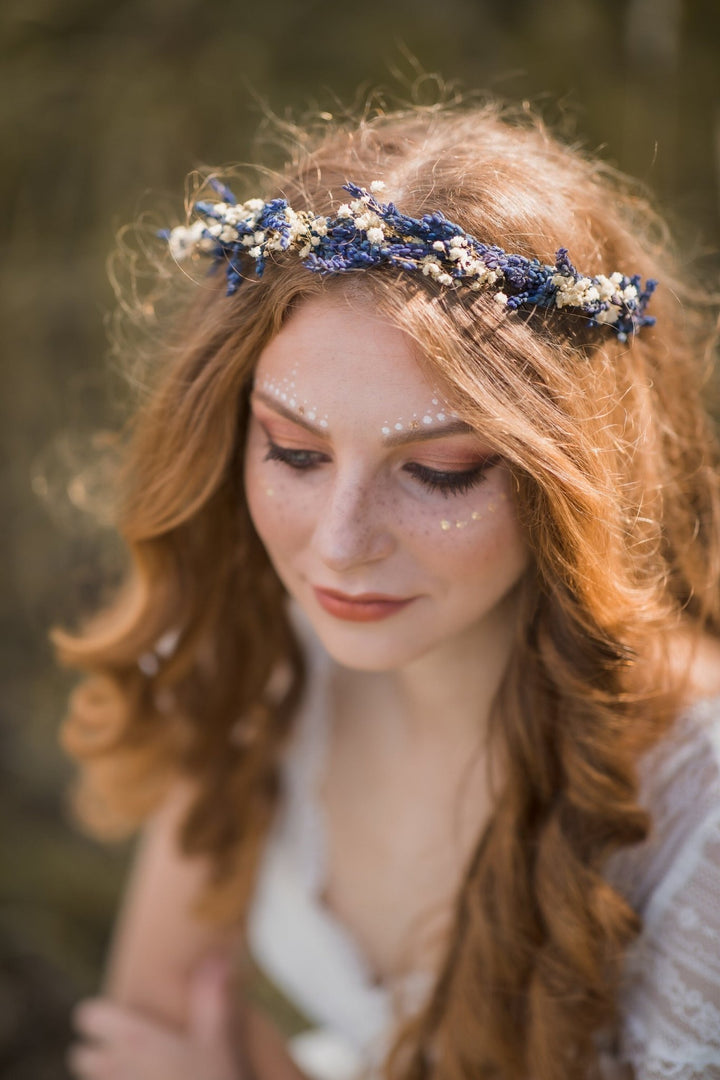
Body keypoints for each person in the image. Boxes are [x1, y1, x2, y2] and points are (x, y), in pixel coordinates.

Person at [54, 99, 720, 1080]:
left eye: (440, 472)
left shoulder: (702, 826)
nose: (339, 546)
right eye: (295, 451)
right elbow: (143, 1036)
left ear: (575, 480)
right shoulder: (263, 661)